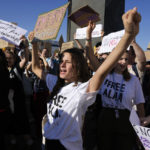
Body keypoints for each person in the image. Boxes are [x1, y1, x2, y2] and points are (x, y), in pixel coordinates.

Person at [28, 7, 141, 150]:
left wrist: (128, 35)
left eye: (67, 62)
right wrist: (34, 44)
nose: (62, 64)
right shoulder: (54, 82)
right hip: (49, 143)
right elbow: (36, 69)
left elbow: (101, 71)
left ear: (78, 67)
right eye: (61, 60)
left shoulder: (81, 90)